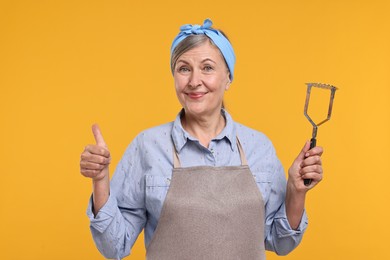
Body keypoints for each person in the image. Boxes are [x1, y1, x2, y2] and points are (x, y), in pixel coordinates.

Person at [80, 18, 323, 260]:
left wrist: (295, 191)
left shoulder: (259, 147)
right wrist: (101, 181)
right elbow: (115, 246)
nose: (194, 81)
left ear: (228, 77)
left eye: (207, 67)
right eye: (184, 68)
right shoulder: (147, 147)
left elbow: (280, 242)